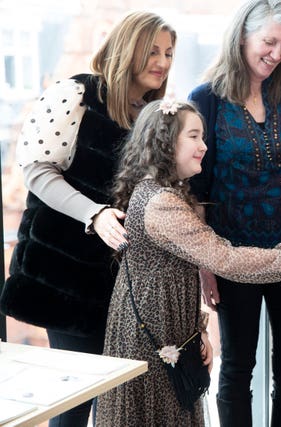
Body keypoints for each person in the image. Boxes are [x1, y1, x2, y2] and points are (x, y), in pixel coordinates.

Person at [94, 99, 281, 426]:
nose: (204, 146)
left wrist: (198, 330)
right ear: (166, 142)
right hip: (152, 333)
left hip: (162, 326)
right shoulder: (162, 203)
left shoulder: (161, 192)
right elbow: (225, 258)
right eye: (194, 136)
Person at [0, 11, 175, 427]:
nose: (163, 61)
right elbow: (37, 171)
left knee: (116, 403)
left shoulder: (152, 115)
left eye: (169, 52)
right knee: (76, 400)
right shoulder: (75, 94)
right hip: (64, 275)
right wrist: (93, 214)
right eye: (152, 50)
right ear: (126, 48)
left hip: (121, 278)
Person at [187, 1, 281, 425]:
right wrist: (204, 265)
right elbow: (196, 189)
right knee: (236, 370)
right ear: (241, 37)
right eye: (270, 42)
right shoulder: (206, 100)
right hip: (233, 257)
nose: (278, 54)